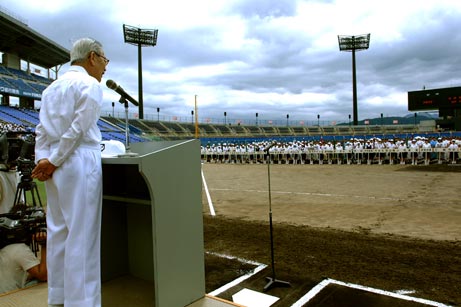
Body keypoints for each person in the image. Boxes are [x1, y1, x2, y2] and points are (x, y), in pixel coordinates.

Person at [31, 37, 109, 307]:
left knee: (59, 231)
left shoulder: (51, 88)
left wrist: (44, 161)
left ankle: (59, 297)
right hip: (78, 161)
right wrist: (52, 160)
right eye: (104, 59)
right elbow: (77, 129)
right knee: (82, 235)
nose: (105, 67)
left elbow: (41, 130)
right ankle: (82, 302)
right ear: (92, 57)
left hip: (55, 164)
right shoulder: (89, 84)